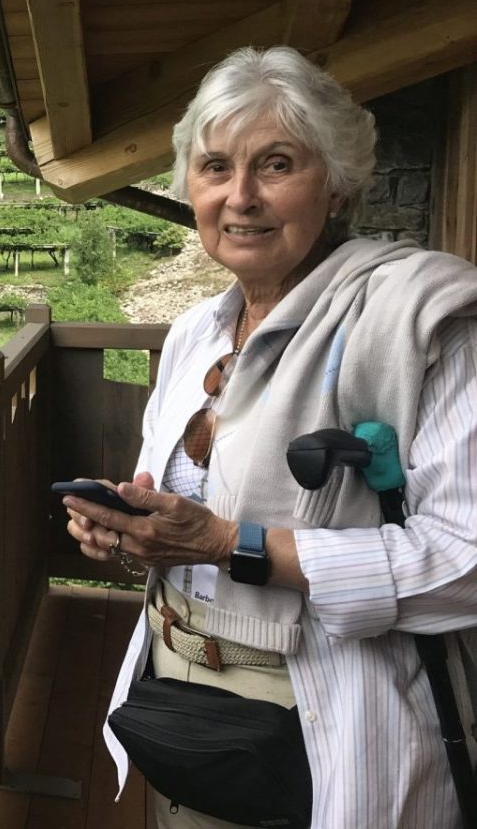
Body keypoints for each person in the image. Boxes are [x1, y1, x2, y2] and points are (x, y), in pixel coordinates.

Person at [61, 46, 477, 828]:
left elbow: (467, 559)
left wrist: (230, 545)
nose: (240, 196)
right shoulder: (194, 334)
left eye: (275, 164)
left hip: (321, 737)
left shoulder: (422, 323)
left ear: (339, 181)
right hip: (179, 712)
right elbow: (180, 512)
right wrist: (124, 529)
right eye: (215, 166)